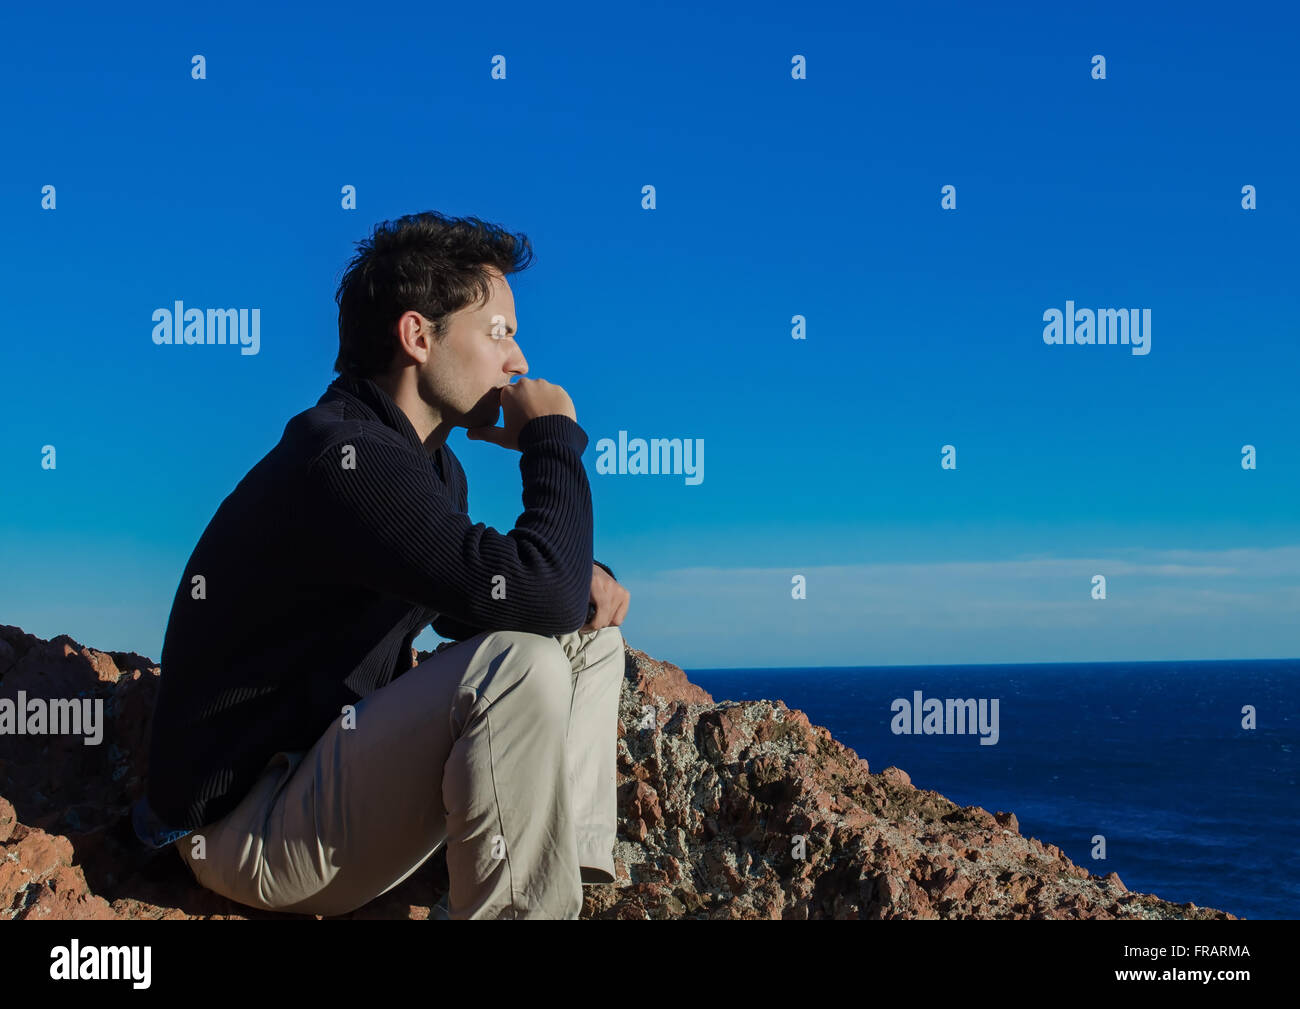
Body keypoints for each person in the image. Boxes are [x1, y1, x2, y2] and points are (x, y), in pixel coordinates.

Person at [131, 211, 631, 919]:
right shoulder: (345, 459)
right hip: (250, 827)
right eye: (499, 333)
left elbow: (491, 598)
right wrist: (552, 437)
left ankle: (562, 882)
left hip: (324, 785)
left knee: (584, 643)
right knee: (523, 665)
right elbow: (531, 599)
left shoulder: (428, 468)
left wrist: (575, 579)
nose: (518, 360)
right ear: (418, 336)